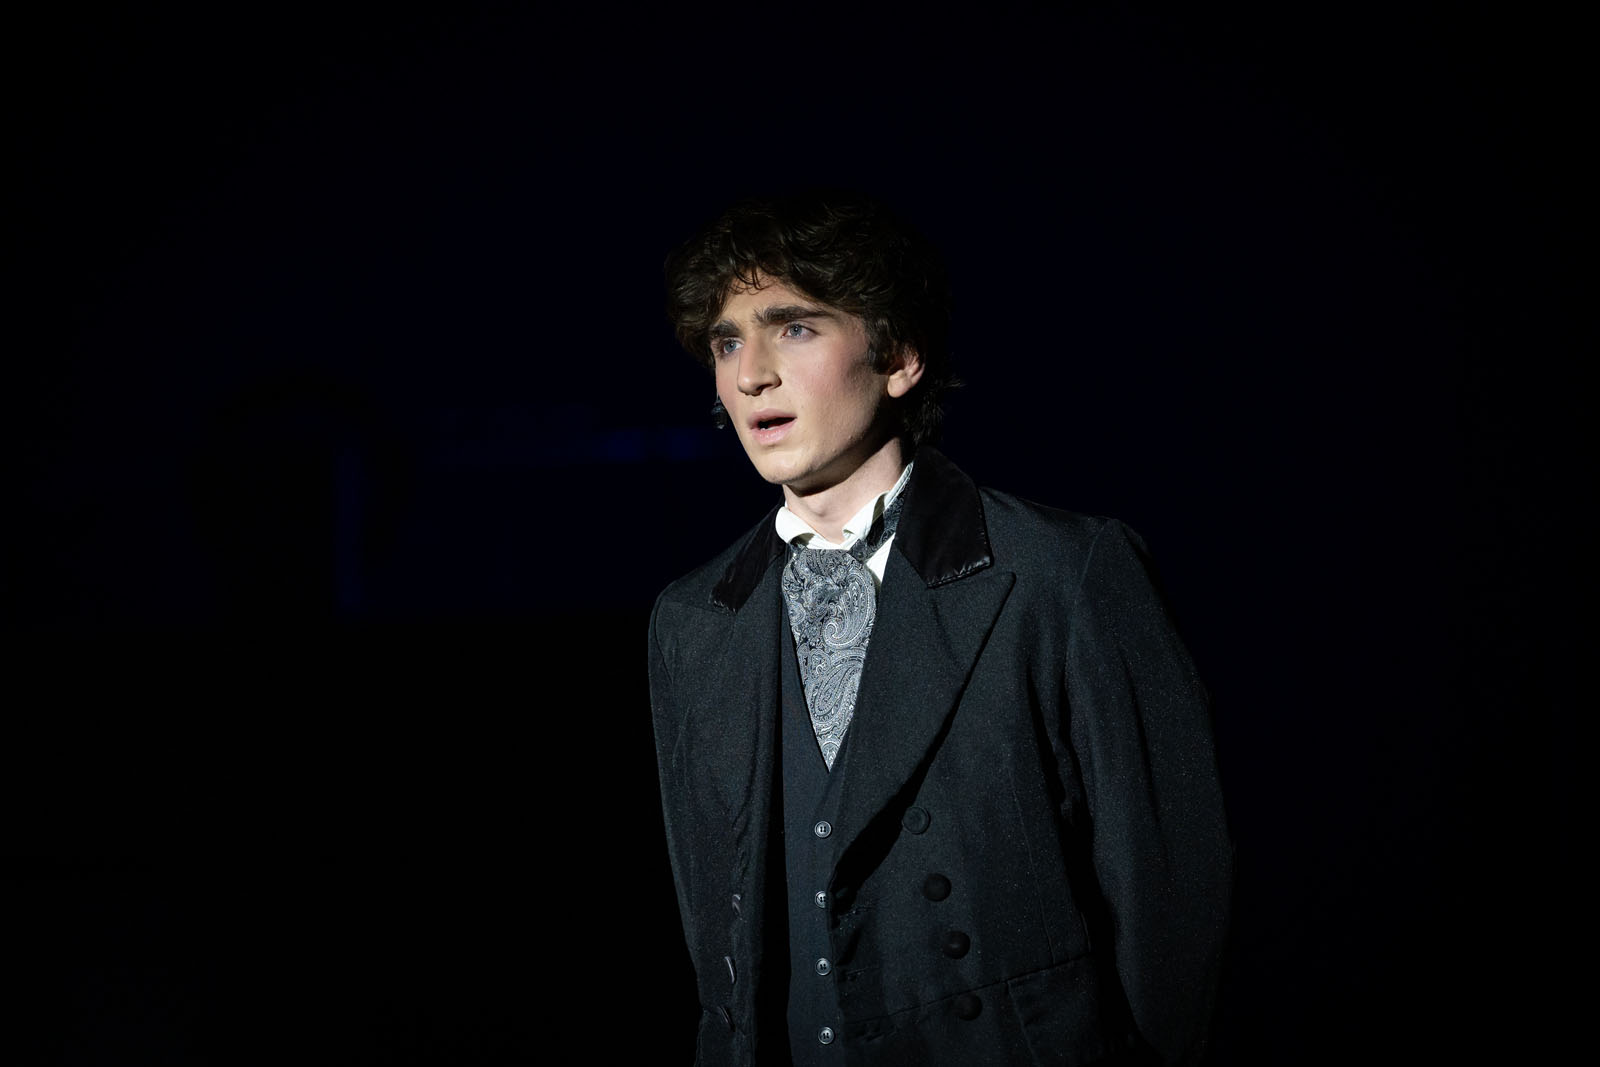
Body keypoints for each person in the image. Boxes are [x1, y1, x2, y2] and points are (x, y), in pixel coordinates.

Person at [648, 189, 1231, 1066]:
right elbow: (717, 952)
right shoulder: (693, 620)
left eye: (794, 328)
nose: (750, 373)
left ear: (899, 356)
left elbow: (1172, 907)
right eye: (727, 342)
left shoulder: (1061, 574)